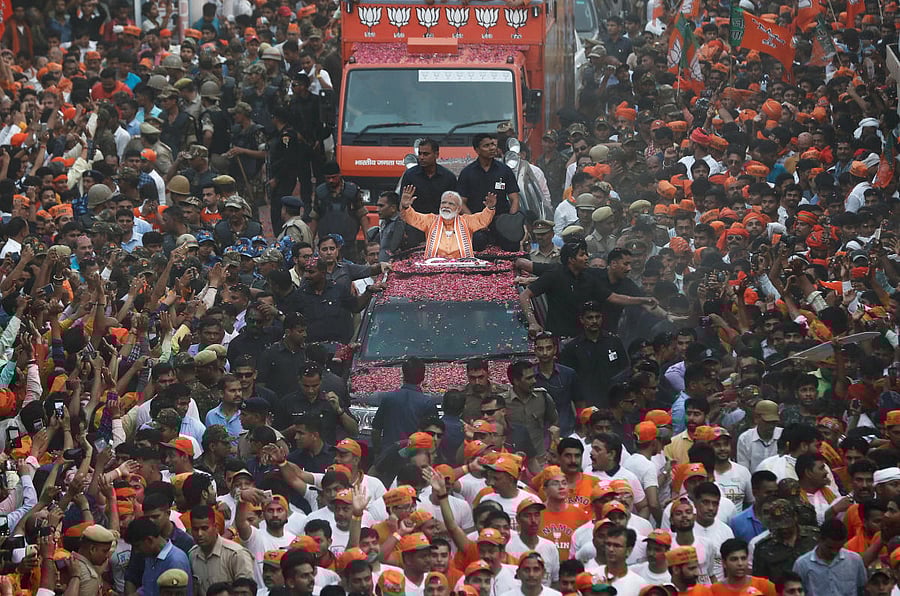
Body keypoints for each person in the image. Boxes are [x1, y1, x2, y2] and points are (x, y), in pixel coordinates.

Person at [399, 187, 495, 259]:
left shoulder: (466, 221)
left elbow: (482, 220)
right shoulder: (431, 220)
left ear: (458, 209)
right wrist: (406, 207)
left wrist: (490, 208)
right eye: (443, 203)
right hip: (434, 264)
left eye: (451, 204)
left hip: (461, 264)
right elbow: (413, 218)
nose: (446, 206)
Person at [371, 357, 439, 456]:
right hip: (414, 456)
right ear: (423, 377)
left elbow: (376, 430)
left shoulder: (388, 398)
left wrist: (378, 453)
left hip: (389, 455)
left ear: (403, 375)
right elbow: (432, 435)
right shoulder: (427, 402)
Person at [187, 505, 255, 595]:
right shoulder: (192, 555)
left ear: (215, 527)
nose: (199, 534)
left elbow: (246, 592)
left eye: (204, 528)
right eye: (195, 529)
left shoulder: (236, 554)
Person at [792, 519, 867, 596]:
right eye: (829, 548)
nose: (834, 552)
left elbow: (861, 589)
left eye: (838, 548)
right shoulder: (802, 564)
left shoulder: (855, 560)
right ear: (820, 539)